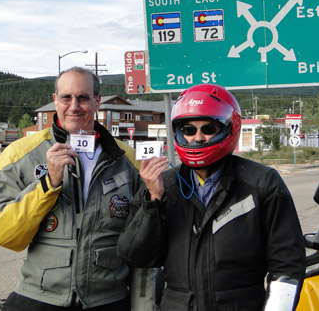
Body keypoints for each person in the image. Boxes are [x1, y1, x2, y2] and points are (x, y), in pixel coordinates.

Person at [118, 83, 306, 310]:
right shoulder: (162, 185)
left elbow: (287, 264)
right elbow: (137, 255)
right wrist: (153, 202)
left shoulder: (261, 183)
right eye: (189, 130)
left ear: (228, 128)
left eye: (208, 129)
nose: (198, 138)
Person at [0, 67, 157, 310]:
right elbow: (2, 234)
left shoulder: (126, 158)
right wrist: (47, 185)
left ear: (97, 101)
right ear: (55, 101)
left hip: (108, 299)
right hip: (40, 297)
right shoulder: (20, 154)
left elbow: (142, 243)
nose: (74, 106)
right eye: (66, 97)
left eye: (83, 97)